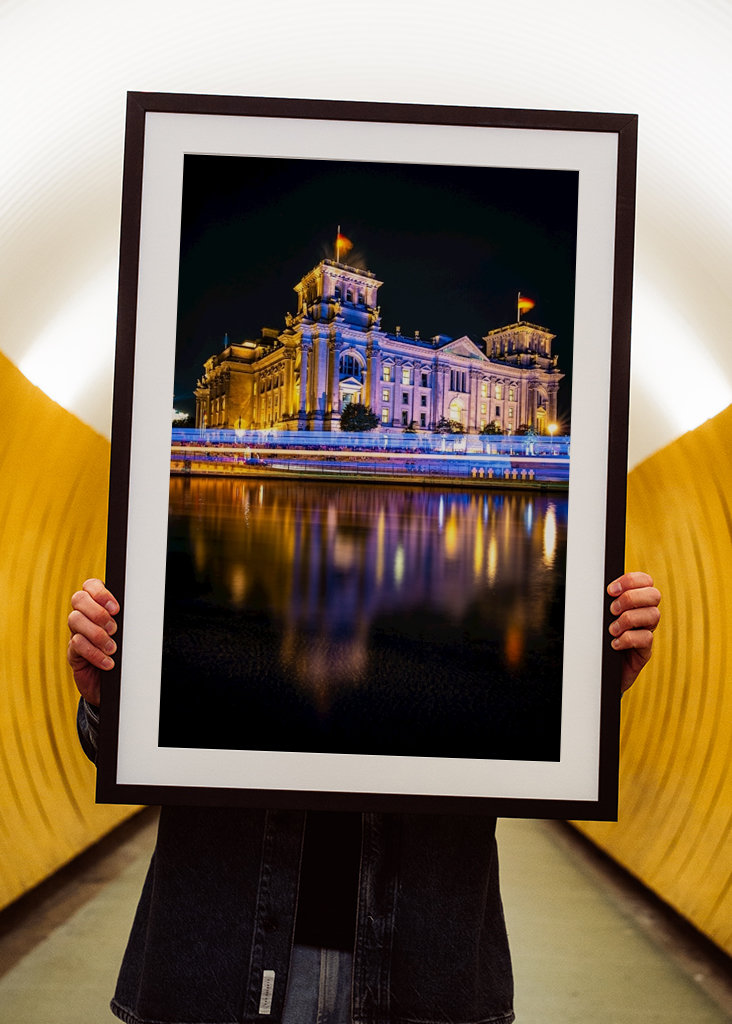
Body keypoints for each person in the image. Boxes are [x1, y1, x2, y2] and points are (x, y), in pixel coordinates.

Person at [68, 572, 661, 1024]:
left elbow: (530, 742)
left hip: (422, 974)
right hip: (219, 967)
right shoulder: (220, 661)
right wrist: (108, 699)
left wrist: (587, 691)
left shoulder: (451, 673)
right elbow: (121, 751)